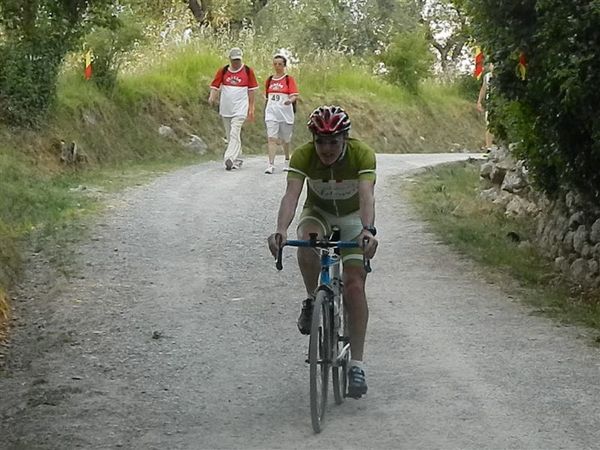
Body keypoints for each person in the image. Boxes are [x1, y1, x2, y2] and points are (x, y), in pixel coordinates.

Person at [267, 105, 378, 399]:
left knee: (354, 286)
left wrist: (368, 230)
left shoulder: (361, 154)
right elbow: (291, 195)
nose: (326, 149)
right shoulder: (304, 155)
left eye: (333, 142)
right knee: (306, 241)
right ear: (313, 139)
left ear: (345, 139)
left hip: (353, 217)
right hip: (319, 213)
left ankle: (356, 363)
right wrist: (281, 229)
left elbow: (367, 196)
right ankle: (311, 298)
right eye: (320, 142)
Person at [208, 47, 258, 170]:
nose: (237, 63)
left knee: (234, 131)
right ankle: (238, 158)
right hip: (226, 108)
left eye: (238, 60)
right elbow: (215, 86)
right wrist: (212, 97)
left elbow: (252, 91)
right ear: (230, 59)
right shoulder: (223, 70)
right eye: (234, 60)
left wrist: (251, 108)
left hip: (241, 108)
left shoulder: (247, 71)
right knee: (231, 135)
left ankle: (229, 158)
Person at [263, 53, 299, 174]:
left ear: (284, 65)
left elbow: (294, 95)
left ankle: (287, 159)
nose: (277, 66)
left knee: (285, 139)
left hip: (285, 113)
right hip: (271, 113)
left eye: (280, 64)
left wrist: (290, 100)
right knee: (271, 138)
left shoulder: (289, 79)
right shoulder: (269, 80)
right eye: (275, 64)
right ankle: (271, 164)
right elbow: (267, 96)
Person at [477, 62, 494, 151]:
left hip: (499, 101)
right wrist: (479, 102)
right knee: (489, 123)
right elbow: (483, 88)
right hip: (490, 102)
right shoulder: (487, 76)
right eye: (491, 65)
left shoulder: (500, 76)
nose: (492, 66)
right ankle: (489, 147)